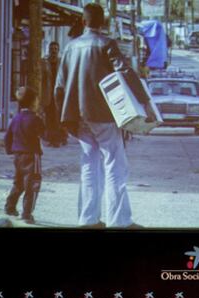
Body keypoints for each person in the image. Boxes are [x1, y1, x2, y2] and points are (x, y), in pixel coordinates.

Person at [54, 3, 153, 228]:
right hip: (103, 115)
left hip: (78, 116)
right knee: (114, 165)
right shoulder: (106, 44)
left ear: (83, 21)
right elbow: (125, 71)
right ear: (104, 23)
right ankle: (119, 221)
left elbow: (59, 86)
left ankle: (88, 219)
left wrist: (62, 118)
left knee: (89, 165)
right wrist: (144, 101)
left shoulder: (70, 47)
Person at [4, 86, 44, 224]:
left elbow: (7, 137)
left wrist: (10, 150)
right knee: (32, 184)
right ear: (33, 102)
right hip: (32, 156)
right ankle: (27, 213)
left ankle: (10, 207)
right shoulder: (35, 118)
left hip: (17, 156)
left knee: (19, 182)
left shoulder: (15, 118)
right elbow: (43, 133)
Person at [41, 41, 67, 147]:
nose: (54, 51)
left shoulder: (62, 62)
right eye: (52, 49)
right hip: (48, 93)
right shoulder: (44, 62)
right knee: (49, 117)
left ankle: (60, 138)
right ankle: (51, 138)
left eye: (56, 49)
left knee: (59, 117)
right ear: (49, 50)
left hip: (59, 94)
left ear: (58, 50)